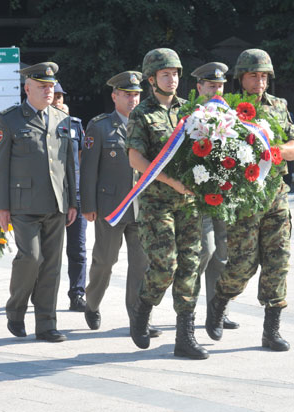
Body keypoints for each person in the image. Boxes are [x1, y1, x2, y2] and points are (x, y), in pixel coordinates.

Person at [205, 49, 294, 352]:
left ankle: (271, 330)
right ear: (241, 78)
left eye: (263, 76)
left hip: (275, 196)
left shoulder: (279, 106)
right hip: (244, 199)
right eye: (253, 76)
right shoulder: (228, 110)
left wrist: (276, 150)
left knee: (278, 262)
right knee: (243, 264)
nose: (259, 82)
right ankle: (219, 302)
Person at [126, 48, 208, 360]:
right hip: (156, 202)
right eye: (165, 74)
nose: (172, 79)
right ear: (151, 79)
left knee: (190, 265)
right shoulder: (141, 113)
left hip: (188, 203)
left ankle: (185, 336)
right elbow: (135, 158)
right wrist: (171, 181)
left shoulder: (190, 111)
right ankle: (143, 307)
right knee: (165, 265)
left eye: (175, 73)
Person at [0, 62, 77, 342]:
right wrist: (1, 206)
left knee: (51, 265)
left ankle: (46, 324)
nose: (49, 91)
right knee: (31, 257)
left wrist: (73, 201)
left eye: (51, 86)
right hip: (23, 204)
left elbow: (68, 163)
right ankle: (16, 310)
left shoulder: (62, 119)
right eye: (42, 86)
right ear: (27, 89)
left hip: (56, 203)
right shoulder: (10, 119)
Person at [80, 70, 161, 338]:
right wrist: (88, 204)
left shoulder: (149, 124)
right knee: (105, 261)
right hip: (112, 207)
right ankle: (92, 303)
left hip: (142, 207)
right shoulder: (100, 126)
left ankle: (138, 319)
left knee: (141, 265)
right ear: (114, 96)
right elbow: (89, 169)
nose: (133, 99)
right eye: (127, 94)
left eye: (136, 94)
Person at [190, 62, 240, 332]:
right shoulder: (190, 116)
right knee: (204, 251)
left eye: (220, 86)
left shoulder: (232, 117)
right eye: (211, 86)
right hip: (197, 197)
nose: (217, 91)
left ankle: (218, 312)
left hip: (224, 196)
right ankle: (187, 308)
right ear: (199, 88)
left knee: (222, 254)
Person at [53, 82, 88, 312]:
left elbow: (83, 155)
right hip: (51, 195)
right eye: (54, 96)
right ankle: (42, 294)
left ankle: (77, 294)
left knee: (78, 249)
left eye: (60, 97)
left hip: (75, 195)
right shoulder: (40, 126)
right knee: (48, 251)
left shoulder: (74, 124)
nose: (57, 101)